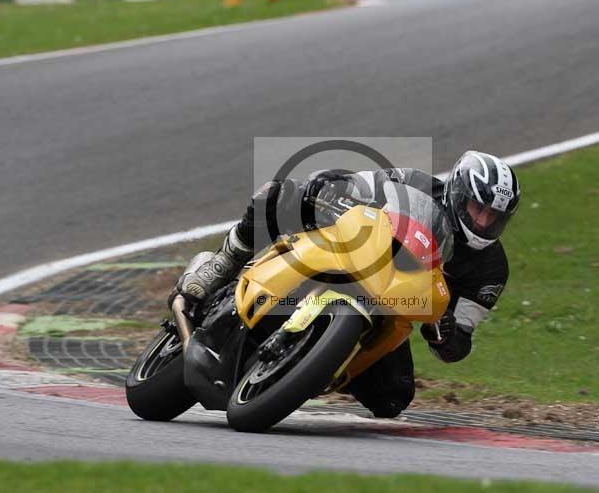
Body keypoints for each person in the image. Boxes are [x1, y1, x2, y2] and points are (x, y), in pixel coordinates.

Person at [169, 151, 521, 418]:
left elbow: (458, 344)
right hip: (349, 255)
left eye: (495, 217)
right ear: (458, 193)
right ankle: (222, 263)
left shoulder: (491, 270)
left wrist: (444, 333)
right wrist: (331, 190)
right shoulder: (414, 182)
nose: (485, 222)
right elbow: (357, 183)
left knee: (393, 398)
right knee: (282, 194)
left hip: (391, 307)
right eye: (479, 209)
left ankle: (321, 362)